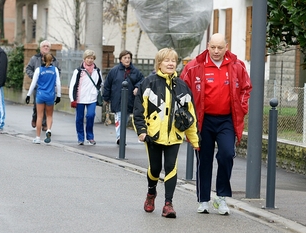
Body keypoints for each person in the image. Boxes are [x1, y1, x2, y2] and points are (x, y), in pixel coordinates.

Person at [180, 33, 252, 215]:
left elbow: (246, 88)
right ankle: (203, 199)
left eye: (220, 47)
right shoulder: (195, 66)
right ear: (208, 46)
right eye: (213, 47)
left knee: (227, 154)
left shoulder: (237, 65)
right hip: (203, 120)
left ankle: (221, 198)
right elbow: (182, 88)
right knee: (204, 160)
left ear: (226, 47)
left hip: (227, 119)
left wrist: (242, 107)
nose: (216, 51)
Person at [133, 48, 199, 218]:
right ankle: (151, 193)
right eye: (166, 60)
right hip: (153, 135)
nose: (170, 63)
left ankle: (168, 204)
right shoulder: (148, 83)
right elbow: (138, 110)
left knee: (171, 167)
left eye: (173, 60)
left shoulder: (182, 86)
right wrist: (141, 131)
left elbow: (189, 115)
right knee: (155, 168)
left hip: (175, 136)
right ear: (159, 63)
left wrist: (194, 140)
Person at [103, 50, 144, 145]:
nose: (127, 60)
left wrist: (137, 87)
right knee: (119, 117)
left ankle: (121, 136)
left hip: (129, 99)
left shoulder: (135, 71)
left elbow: (142, 80)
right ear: (120, 59)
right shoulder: (114, 71)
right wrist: (106, 97)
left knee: (125, 119)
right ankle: (120, 137)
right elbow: (107, 84)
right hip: (117, 99)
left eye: (129, 58)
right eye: (125, 58)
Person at [25, 53, 61, 144]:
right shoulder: (55, 70)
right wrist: (59, 95)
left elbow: (33, 83)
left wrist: (28, 95)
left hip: (40, 95)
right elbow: (58, 84)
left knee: (40, 116)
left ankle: (37, 137)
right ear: (52, 60)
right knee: (49, 115)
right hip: (50, 95)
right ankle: (48, 129)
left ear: (43, 60)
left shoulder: (38, 70)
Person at [69, 49, 102, 145]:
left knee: (90, 115)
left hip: (92, 98)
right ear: (84, 59)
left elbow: (100, 83)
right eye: (88, 58)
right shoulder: (79, 71)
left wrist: (97, 92)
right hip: (80, 98)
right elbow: (73, 85)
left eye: (92, 58)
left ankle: (90, 137)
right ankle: (80, 138)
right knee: (79, 118)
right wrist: (73, 99)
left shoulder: (97, 71)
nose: (90, 60)